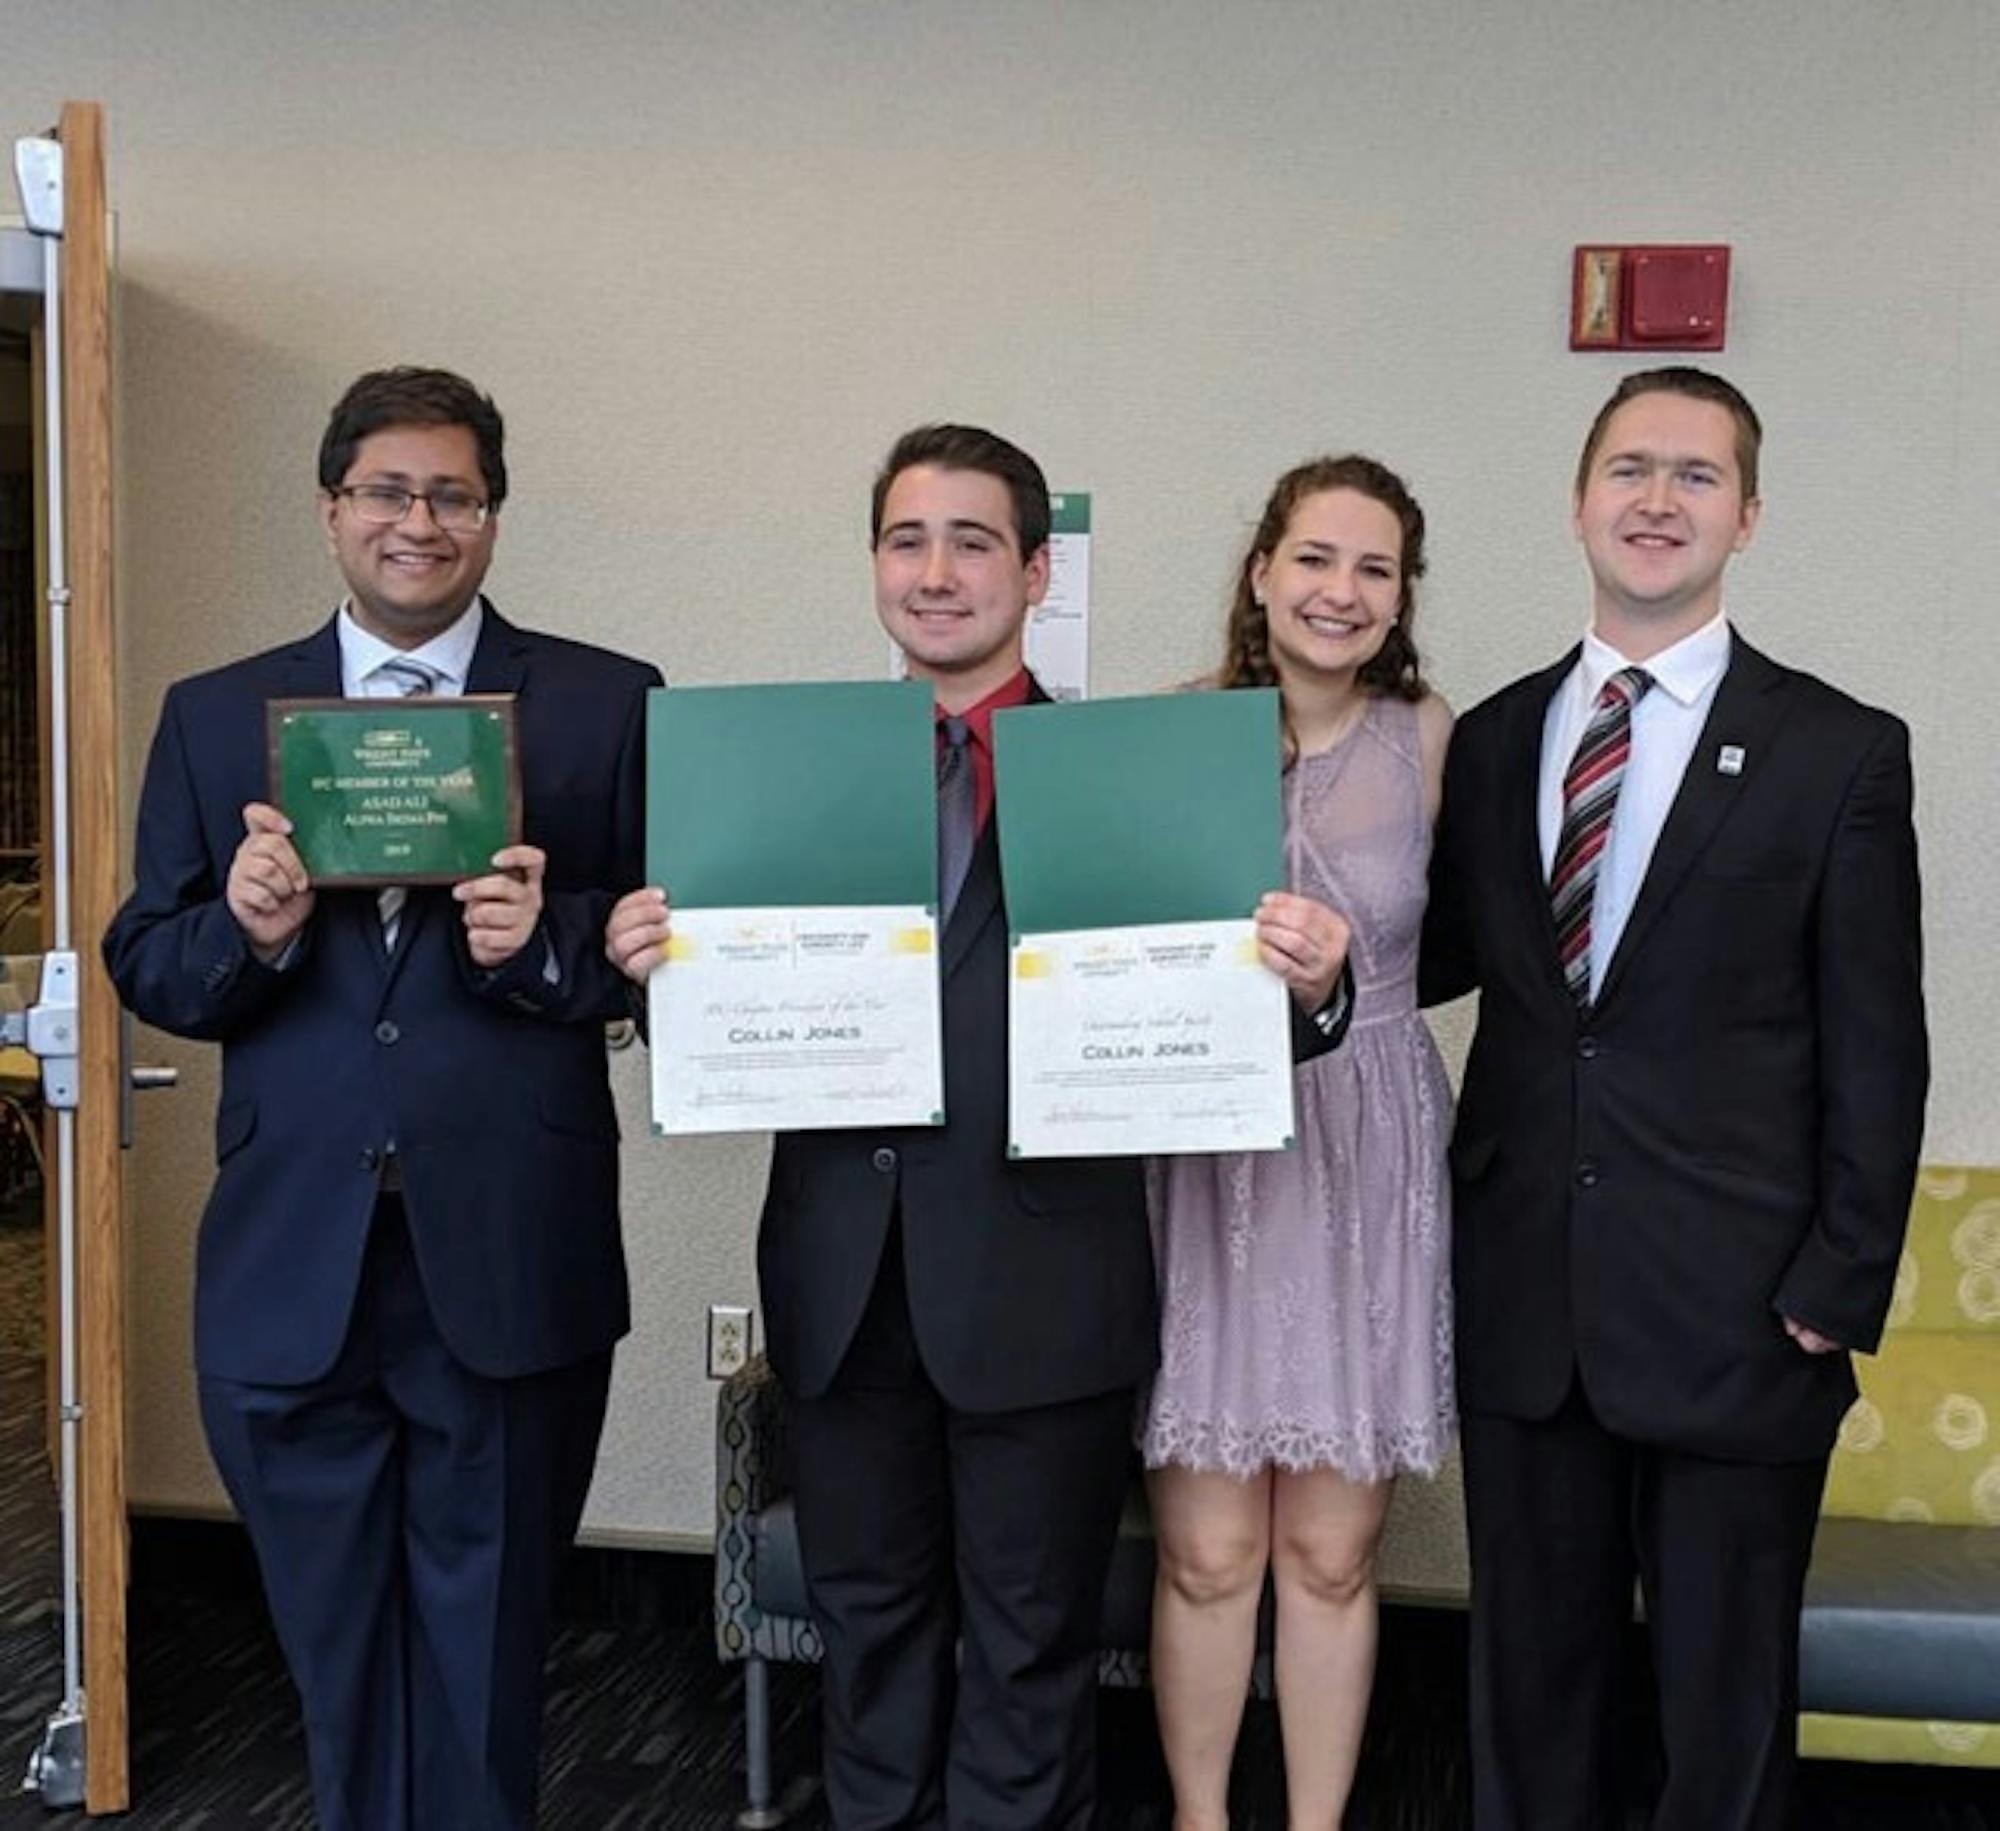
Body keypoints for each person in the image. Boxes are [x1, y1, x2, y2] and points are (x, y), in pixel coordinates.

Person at [606, 423, 1355, 1828]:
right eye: (906, 540)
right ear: (875, 565)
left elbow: (1229, 1022)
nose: (936, 571)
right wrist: (660, 972)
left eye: (970, 541)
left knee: (1030, 1651)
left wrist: (1315, 987)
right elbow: (746, 1028)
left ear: (1034, 567)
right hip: (841, 1285)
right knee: (866, 1641)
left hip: (1043, 1288)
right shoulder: (787, 773)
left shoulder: (1128, 773)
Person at [103, 366, 661, 1831]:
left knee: (488, 1664)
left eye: (454, 495)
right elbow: (148, 958)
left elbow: (672, 963)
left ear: (492, 515)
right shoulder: (218, 716)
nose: (421, 521)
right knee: (332, 1652)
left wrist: (543, 949)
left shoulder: (606, 705)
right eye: (389, 491)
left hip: (509, 1250)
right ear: (332, 506)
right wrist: (250, 930)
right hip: (294, 1260)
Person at [1422, 366, 1928, 1830]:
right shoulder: (1500, 737)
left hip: (1745, 1309)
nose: (1658, 501)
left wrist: (1844, 1276)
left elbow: (1878, 1040)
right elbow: (1440, 961)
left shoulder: (1841, 752)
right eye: (1630, 469)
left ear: (1749, 518)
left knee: (1722, 1711)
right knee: (1529, 1687)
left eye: (1696, 477)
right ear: (1578, 502)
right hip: (1527, 1294)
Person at [1140, 456, 1455, 1829]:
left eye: (1373, 569)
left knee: (1331, 1550)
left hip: (1366, 1134)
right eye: (1315, 559)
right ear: (1261, 570)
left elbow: (1475, 947)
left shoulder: (1436, 738)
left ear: (1400, 598)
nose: (1341, 592)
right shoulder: (1172, 730)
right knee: (1209, 1549)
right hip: (1203, 1149)